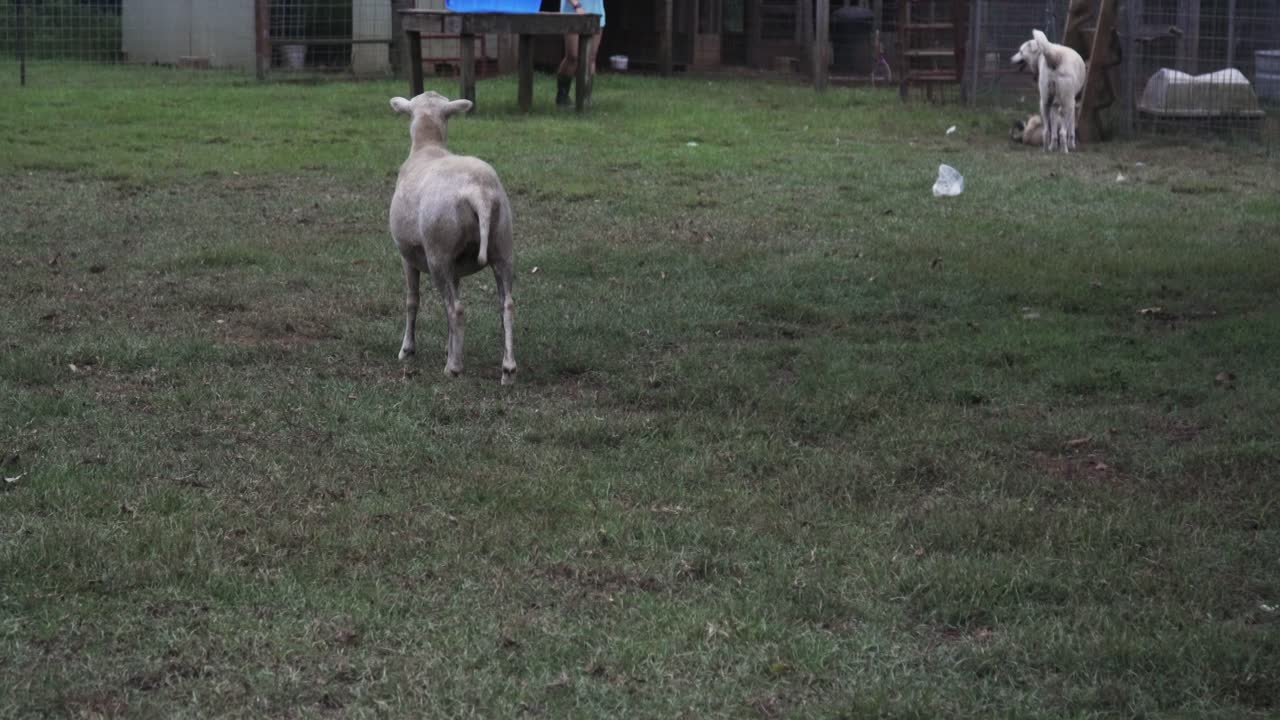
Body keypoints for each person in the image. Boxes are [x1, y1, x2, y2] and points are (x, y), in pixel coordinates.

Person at [555, 0, 604, 108]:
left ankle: (585, 98)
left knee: (590, 58)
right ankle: (562, 97)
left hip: (595, 13)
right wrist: (577, 5)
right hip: (571, 12)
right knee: (573, 56)